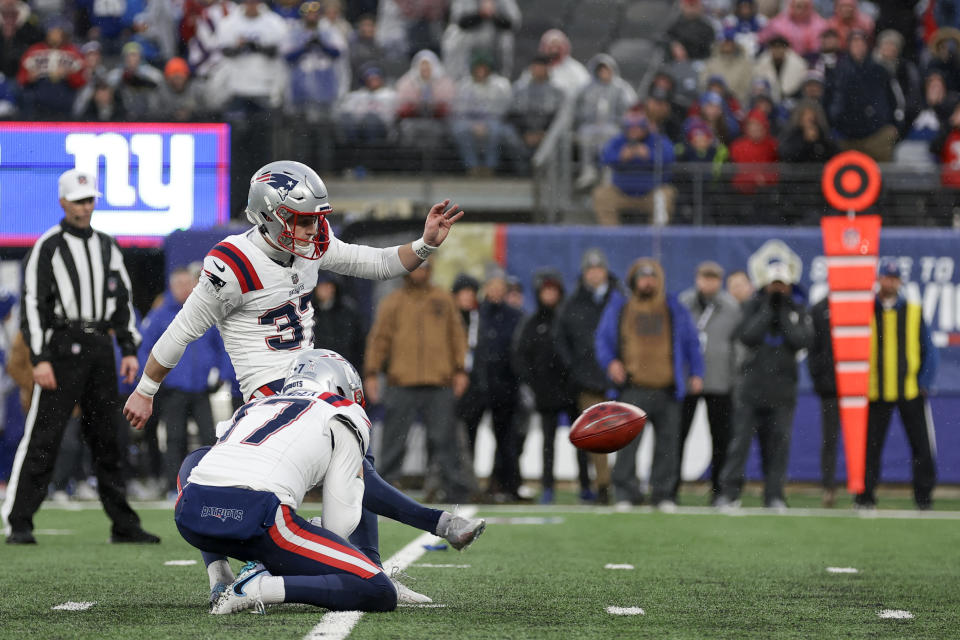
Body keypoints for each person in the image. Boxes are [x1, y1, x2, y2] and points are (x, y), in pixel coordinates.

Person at [122, 160, 482, 601]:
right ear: (268, 215)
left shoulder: (310, 241)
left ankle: (371, 562)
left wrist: (424, 245)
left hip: (310, 378)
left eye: (316, 219)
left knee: (353, 460)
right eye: (300, 219)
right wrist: (146, 388)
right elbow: (182, 330)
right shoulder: (233, 263)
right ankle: (423, 532)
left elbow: (373, 261)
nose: (312, 230)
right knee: (346, 463)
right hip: (268, 395)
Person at [3, 169, 158, 545]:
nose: (85, 207)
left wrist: (129, 348)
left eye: (90, 200)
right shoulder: (49, 245)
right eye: (78, 200)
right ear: (63, 202)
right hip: (61, 347)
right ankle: (19, 521)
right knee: (44, 437)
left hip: (100, 347)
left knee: (108, 439)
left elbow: (122, 299)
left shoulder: (107, 245)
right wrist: (39, 357)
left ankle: (123, 524)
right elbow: (34, 305)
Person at [178, 350, 397, 614]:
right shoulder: (344, 413)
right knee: (381, 590)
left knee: (199, 459)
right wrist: (357, 483)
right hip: (259, 517)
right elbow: (338, 526)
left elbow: (197, 464)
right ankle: (258, 587)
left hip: (193, 516)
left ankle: (220, 573)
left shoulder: (255, 406)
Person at [595, 259, 704, 510]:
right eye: (643, 277)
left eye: (653, 277)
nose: (648, 282)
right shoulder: (621, 307)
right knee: (627, 445)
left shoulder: (672, 308)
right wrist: (611, 362)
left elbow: (691, 342)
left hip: (667, 388)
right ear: (634, 280)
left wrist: (697, 372)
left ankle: (663, 494)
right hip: (634, 387)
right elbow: (602, 339)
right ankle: (624, 493)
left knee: (668, 445)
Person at [362, 259, 472, 503]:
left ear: (430, 270)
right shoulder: (393, 302)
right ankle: (385, 487)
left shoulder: (443, 299)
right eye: (416, 267)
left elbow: (458, 336)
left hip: (439, 381)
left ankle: (457, 490)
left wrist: (461, 370)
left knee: (445, 440)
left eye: (424, 268)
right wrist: (371, 373)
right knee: (393, 439)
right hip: (402, 381)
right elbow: (378, 340)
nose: (420, 272)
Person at [716, 260, 813, 510]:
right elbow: (748, 336)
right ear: (765, 286)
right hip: (751, 390)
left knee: (778, 448)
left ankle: (774, 495)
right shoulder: (752, 306)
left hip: (782, 392)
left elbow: (801, 340)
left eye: (782, 286)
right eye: (773, 285)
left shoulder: (798, 309)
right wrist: (768, 310)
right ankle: (730, 493)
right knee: (739, 446)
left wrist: (783, 314)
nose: (778, 291)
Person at [856, 258, 938, 510]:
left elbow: (929, 350)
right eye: (886, 277)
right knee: (870, 447)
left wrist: (923, 381)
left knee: (921, 447)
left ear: (900, 281)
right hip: (875, 390)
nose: (889, 282)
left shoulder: (913, 310)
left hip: (909, 390)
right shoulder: (866, 310)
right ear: (878, 279)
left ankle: (923, 498)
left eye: (894, 278)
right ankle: (865, 496)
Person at [138, 266, 225, 497]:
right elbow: (146, 348)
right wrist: (154, 378)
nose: (186, 289)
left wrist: (218, 371)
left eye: (189, 284)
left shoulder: (205, 310)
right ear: (172, 287)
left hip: (201, 388)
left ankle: (208, 485)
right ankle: (173, 487)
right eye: (181, 285)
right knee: (175, 439)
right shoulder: (161, 315)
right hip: (174, 389)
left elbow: (221, 344)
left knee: (209, 437)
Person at [512, 268, 591, 504]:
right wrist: (534, 384)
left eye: (553, 291)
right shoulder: (532, 322)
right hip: (545, 393)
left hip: (572, 390)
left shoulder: (570, 319)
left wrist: (577, 379)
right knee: (548, 444)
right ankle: (548, 487)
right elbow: (521, 356)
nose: (549, 295)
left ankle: (586, 487)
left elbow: (582, 351)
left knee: (582, 440)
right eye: (545, 291)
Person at [556, 248, 622, 504]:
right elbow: (561, 341)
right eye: (590, 269)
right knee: (598, 436)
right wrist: (576, 369)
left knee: (625, 432)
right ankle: (604, 485)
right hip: (589, 381)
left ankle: (626, 482)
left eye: (599, 268)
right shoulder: (572, 304)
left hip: (620, 378)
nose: (595, 274)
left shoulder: (620, 300)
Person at [676, 261, 740, 504]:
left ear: (720, 281)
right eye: (705, 277)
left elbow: (737, 345)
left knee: (721, 439)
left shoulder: (731, 308)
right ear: (697, 279)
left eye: (713, 278)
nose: (708, 282)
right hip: (687, 380)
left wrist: (734, 378)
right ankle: (670, 489)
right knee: (678, 437)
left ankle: (719, 491)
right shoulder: (684, 303)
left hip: (720, 380)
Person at [460, 267, 524, 501]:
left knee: (507, 440)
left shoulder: (515, 316)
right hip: (476, 388)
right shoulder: (475, 314)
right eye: (492, 285)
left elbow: (519, 353)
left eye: (500, 285)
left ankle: (507, 486)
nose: (496, 290)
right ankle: (468, 486)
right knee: (469, 439)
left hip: (506, 387)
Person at [592, 113, 677, 225]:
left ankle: (655, 239)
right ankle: (612, 238)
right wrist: (620, 157)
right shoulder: (619, 140)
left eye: (639, 127)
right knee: (601, 194)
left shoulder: (656, 139)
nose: (635, 131)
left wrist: (649, 155)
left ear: (646, 127)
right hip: (621, 193)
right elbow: (603, 157)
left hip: (651, 193)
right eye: (631, 127)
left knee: (666, 194)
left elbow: (670, 157)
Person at [807, 294, 840, 507]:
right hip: (830, 387)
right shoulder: (820, 308)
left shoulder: (865, 304)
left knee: (867, 441)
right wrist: (820, 379)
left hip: (861, 386)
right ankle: (828, 487)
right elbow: (813, 348)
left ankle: (864, 490)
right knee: (830, 439)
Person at [312, 272, 365, 368]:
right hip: (316, 368)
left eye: (329, 285)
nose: (327, 290)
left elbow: (358, 345)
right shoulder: (308, 312)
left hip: (344, 366)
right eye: (323, 286)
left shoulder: (348, 311)